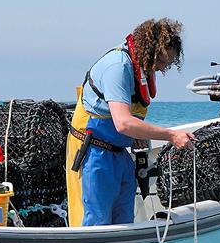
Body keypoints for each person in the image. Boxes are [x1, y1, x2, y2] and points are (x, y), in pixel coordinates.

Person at [66, 18, 194, 227]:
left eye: (167, 64)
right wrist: (171, 135)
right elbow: (123, 123)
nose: (162, 68)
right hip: (93, 153)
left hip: (119, 153)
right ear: (149, 50)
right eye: (161, 61)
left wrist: (136, 136)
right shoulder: (118, 67)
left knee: (125, 220)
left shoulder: (142, 68)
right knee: (96, 222)